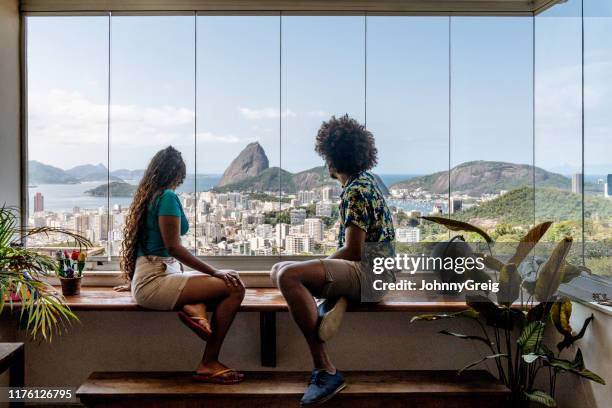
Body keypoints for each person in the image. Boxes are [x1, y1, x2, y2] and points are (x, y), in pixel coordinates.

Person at [270, 115, 395, 406]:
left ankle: (325, 369)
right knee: (278, 269)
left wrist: (319, 264)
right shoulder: (364, 183)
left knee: (289, 276)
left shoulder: (356, 191)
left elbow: (353, 250)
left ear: (332, 158)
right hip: (373, 271)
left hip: (370, 274)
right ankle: (333, 300)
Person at [120, 146, 245, 384]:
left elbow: (146, 246)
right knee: (234, 286)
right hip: (156, 280)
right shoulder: (167, 196)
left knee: (218, 284)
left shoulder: (148, 197)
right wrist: (215, 271)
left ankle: (194, 307)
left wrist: (132, 282)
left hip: (154, 276)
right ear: (178, 173)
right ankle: (209, 362)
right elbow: (173, 247)